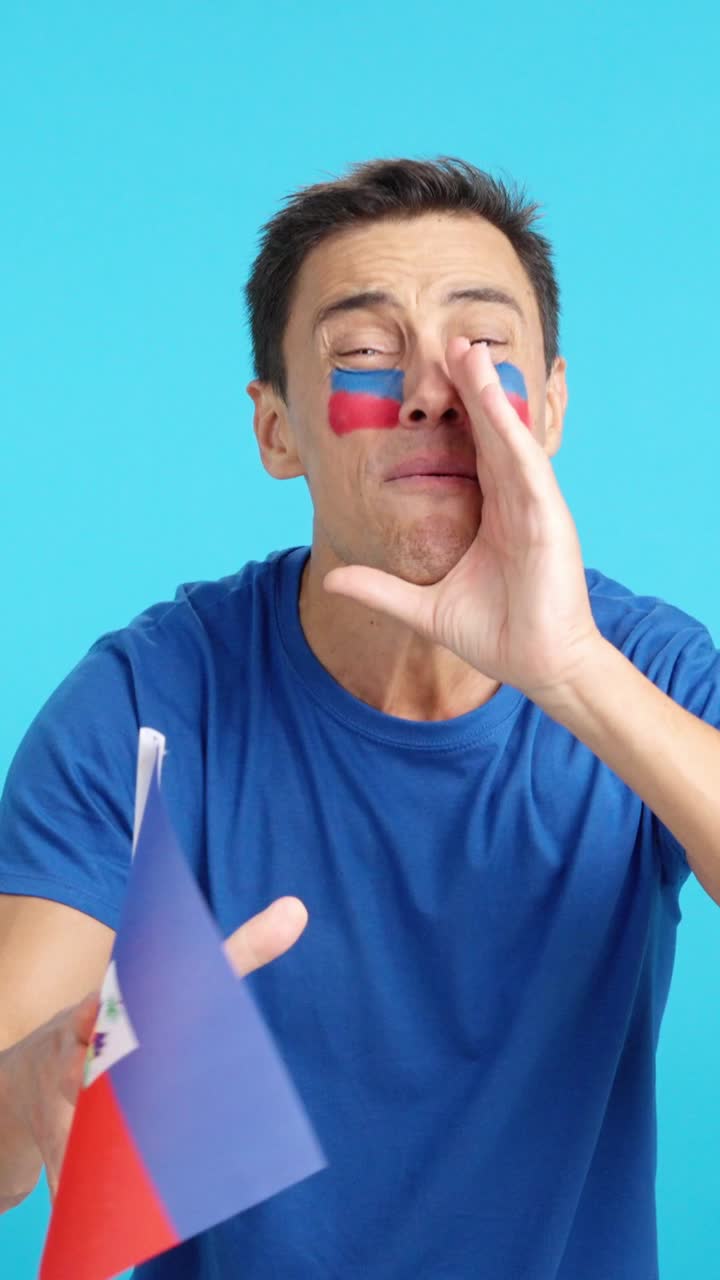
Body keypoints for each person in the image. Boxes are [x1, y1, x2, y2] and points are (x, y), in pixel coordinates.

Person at [1, 155, 719, 1279]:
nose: (435, 389)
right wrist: (39, 1081)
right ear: (278, 430)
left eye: (484, 350)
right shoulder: (143, 704)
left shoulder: (647, 673)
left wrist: (572, 669)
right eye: (365, 357)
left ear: (556, 405)